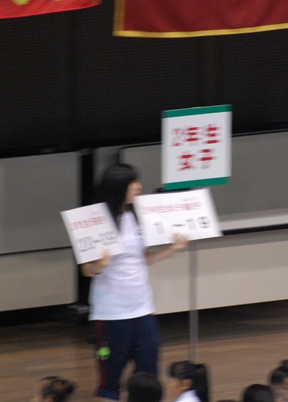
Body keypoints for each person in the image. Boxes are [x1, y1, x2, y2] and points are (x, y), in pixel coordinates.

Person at [80, 163, 188, 401]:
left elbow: (141, 259)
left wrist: (172, 250)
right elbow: (87, 269)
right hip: (111, 313)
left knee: (148, 372)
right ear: (118, 187)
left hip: (142, 308)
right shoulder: (96, 220)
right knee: (110, 375)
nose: (138, 187)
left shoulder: (135, 216)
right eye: (133, 183)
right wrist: (100, 266)